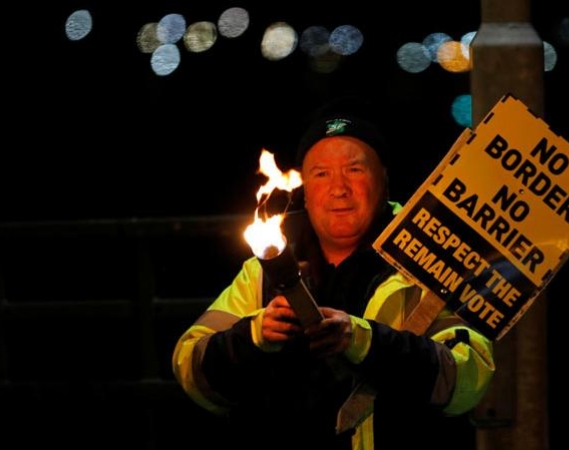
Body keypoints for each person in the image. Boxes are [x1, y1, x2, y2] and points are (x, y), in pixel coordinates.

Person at [172, 98, 495, 450]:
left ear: (383, 180)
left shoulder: (427, 259)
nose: (339, 188)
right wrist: (254, 337)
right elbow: (192, 369)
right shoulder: (264, 269)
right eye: (321, 174)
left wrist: (362, 341)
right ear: (304, 191)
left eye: (355, 169)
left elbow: (466, 380)